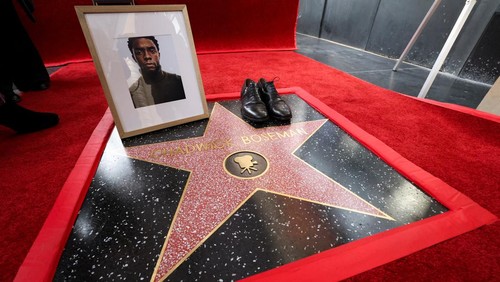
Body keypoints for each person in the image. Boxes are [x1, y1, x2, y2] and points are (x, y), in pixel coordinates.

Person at [127, 36, 186, 108]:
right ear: (134, 58)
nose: (147, 56)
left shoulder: (179, 82)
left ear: (159, 54)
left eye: (152, 51)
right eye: (139, 52)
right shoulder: (133, 92)